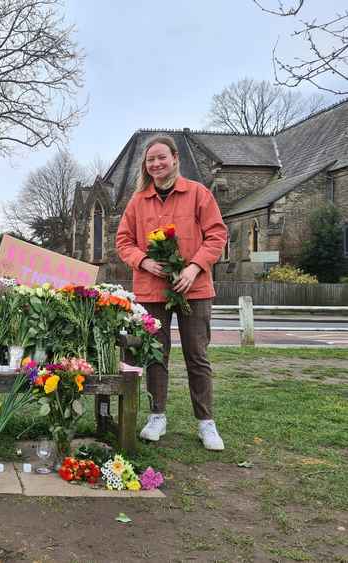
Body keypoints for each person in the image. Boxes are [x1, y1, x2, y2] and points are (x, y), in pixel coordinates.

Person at [115, 135, 228, 451]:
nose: (156, 164)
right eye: (150, 160)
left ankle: (206, 423)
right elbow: (124, 242)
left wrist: (194, 268)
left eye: (161, 157)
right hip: (152, 292)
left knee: (197, 356)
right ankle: (157, 416)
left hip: (194, 289)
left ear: (175, 158)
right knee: (155, 356)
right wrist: (144, 262)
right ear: (146, 165)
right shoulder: (138, 201)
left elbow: (217, 235)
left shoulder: (197, 194)